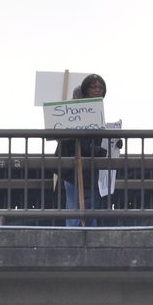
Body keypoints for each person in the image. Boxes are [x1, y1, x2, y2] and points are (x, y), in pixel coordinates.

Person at [57, 73, 108, 227]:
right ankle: (77, 239)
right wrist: (100, 151)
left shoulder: (96, 112)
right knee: (76, 210)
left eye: (100, 87)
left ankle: (84, 238)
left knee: (86, 209)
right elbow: (76, 142)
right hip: (75, 169)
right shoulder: (78, 112)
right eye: (93, 87)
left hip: (88, 170)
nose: (97, 90)